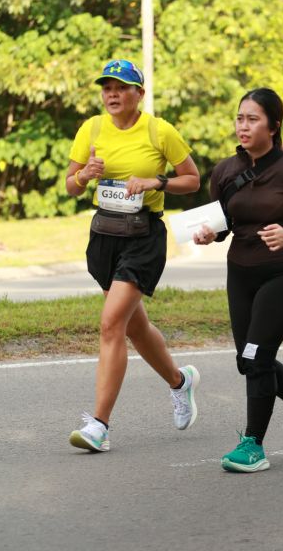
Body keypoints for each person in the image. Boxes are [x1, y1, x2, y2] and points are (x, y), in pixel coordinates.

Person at [66, 59, 200, 452]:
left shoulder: (160, 131)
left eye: (121, 87)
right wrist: (84, 175)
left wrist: (155, 181)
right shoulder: (91, 129)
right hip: (104, 236)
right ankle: (180, 381)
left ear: (139, 93)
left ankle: (99, 426)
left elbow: (192, 179)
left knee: (111, 325)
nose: (112, 94)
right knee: (133, 328)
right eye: (107, 87)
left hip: (143, 237)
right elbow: (71, 185)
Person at [193, 87, 283, 473]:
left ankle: (252, 444)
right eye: (240, 118)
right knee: (249, 359)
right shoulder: (225, 171)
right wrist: (209, 234)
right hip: (240, 273)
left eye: (253, 119)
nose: (244, 126)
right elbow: (225, 224)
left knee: (256, 357)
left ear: (273, 126)